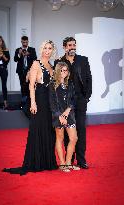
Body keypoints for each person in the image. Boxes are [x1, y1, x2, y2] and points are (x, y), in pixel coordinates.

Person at [3, 40, 58, 175]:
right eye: (45, 48)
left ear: (53, 50)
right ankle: (36, 162)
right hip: (39, 101)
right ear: (41, 49)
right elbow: (31, 85)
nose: (47, 50)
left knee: (48, 131)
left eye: (50, 48)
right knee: (37, 130)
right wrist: (33, 102)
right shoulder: (36, 63)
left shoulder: (51, 66)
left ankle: (47, 162)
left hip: (49, 103)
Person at [55, 37, 92, 169]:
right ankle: (69, 160)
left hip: (80, 101)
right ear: (65, 47)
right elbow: (56, 81)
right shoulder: (59, 62)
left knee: (81, 130)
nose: (72, 47)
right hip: (66, 104)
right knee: (67, 133)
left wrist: (87, 97)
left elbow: (88, 78)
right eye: (70, 45)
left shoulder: (83, 60)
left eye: (74, 45)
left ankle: (81, 160)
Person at [49, 62, 80, 172]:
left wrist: (67, 111)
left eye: (66, 70)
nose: (64, 72)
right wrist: (60, 116)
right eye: (62, 70)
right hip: (58, 116)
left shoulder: (70, 84)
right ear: (57, 71)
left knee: (73, 138)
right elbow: (52, 103)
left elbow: (73, 99)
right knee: (60, 138)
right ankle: (62, 164)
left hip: (69, 115)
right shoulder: (52, 85)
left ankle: (68, 163)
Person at [14, 36, 37, 106]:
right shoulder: (18, 50)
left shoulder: (32, 49)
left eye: (26, 42)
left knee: (30, 86)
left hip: (29, 71)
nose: (25, 43)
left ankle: (29, 102)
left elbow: (35, 59)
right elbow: (15, 59)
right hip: (21, 71)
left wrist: (28, 54)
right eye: (23, 42)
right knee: (22, 86)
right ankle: (24, 102)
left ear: (28, 42)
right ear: (21, 42)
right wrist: (19, 54)